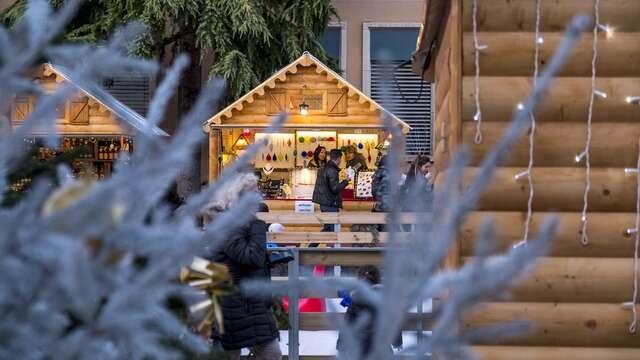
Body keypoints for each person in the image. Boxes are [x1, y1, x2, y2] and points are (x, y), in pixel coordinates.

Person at [205, 173, 281, 360]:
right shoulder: (228, 226)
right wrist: (258, 225)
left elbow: (242, 258)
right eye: (252, 192)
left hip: (249, 303)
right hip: (234, 306)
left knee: (271, 354)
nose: (258, 196)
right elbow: (252, 258)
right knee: (243, 354)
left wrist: (270, 260)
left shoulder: (239, 223)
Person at [336, 266, 402, 357]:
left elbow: (347, 325)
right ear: (378, 279)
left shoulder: (355, 301)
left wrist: (341, 346)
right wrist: (397, 342)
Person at [312, 149, 354, 232]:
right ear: (338, 158)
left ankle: (312, 245)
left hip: (324, 203)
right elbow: (335, 189)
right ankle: (328, 245)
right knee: (333, 230)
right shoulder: (332, 170)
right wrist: (346, 181)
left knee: (328, 228)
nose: (340, 161)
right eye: (340, 159)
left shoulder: (324, 168)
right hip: (330, 204)